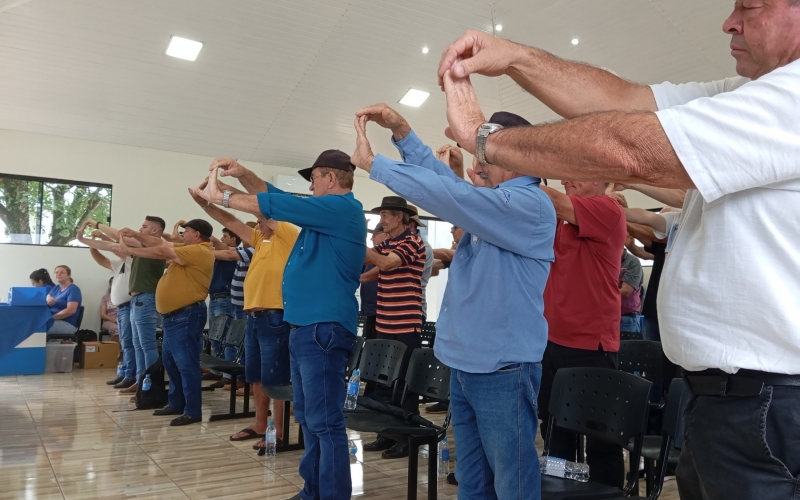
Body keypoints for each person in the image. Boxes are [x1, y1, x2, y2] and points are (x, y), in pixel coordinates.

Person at [438, 2, 800, 496]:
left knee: (598, 448)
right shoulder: (745, 93)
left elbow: (634, 148)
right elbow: (625, 99)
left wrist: (488, 142)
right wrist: (516, 57)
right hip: (724, 397)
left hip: (767, 399)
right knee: (561, 440)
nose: (729, 22)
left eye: (750, 5)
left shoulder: (791, 98)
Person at [351, 104, 556, 499]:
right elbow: (448, 185)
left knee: (512, 482)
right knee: (472, 480)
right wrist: (403, 133)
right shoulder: (494, 203)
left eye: (488, 154)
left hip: (502, 367)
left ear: (513, 159)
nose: (480, 164)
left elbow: (453, 196)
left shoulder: (530, 204)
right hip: (467, 363)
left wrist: (377, 165)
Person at [191, 150, 366, 500]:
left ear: (330, 178)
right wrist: (241, 173)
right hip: (306, 328)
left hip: (323, 327)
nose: (311, 186)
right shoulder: (324, 217)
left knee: (325, 420)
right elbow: (275, 195)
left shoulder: (342, 209)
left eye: (313, 178)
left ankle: (329, 495)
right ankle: (312, 490)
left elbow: (278, 205)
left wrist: (222, 195)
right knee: (310, 417)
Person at [190, 185, 298, 449]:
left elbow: (259, 210)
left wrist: (224, 194)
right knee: (257, 375)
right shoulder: (262, 239)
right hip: (255, 316)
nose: (257, 225)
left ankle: (280, 433)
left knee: (277, 377)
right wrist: (206, 205)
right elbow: (231, 222)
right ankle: (261, 423)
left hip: (276, 316)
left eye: (262, 220)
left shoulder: (288, 233)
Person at [112, 219, 215, 426]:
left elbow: (160, 253)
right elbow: (161, 245)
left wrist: (133, 251)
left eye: (186, 232)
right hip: (173, 317)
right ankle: (176, 403)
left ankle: (192, 410)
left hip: (186, 316)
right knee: (171, 363)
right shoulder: (188, 248)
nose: (182, 235)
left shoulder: (200, 250)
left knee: (186, 365)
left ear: (197, 235)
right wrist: (136, 235)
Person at [361, 196, 426, 460]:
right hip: (385, 322)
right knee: (384, 382)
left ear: (400, 216)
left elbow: (387, 263)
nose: (381, 220)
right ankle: (387, 432)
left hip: (405, 324)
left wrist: (357, 240)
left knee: (404, 384)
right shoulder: (389, 243)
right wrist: (360, 275)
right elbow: (378, 267)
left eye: (386, 214)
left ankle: (406, 437)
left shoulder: (411, 240)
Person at [90, 216, 166, 394]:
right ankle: (141, 380)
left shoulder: (154, 244)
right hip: (138, 301)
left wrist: (98, 225)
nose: (140, 229)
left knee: (146, 344)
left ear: (154, 230)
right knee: (138, 344)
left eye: (144, 226)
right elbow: (117, 244)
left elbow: (118, 241)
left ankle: (151, 384)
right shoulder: (140, 250)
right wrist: (92, 241)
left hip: (145, 299)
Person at [76, 225, 137, 387]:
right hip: (122, 308)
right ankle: (125, 373)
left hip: (132, 306)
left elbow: (116, 248)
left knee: (131, 343)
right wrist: (92, 245)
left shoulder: (133, 260)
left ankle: (131, 375)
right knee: (126, 342)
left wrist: (100, 238)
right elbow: (101, 260)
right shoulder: (119, 265)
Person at [205, 228, 240, 358]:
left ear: (233, 239)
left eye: (224, 236)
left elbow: (212, 247)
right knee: (215, 336)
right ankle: (217, 369)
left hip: (224, 298)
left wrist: (205, 236)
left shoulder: (235, 253)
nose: (221, 238)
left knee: (225, 335)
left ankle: (227, 372)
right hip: (215, 298)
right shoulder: (220, 252)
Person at [359, 223, 387, 342]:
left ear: (385, 235)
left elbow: (363, 278)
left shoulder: (388, 256)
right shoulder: (371, 254)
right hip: (369, 311)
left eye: (375, 235)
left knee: (378, 350)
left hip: (382, 312)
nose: (372, 238)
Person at [46, 265, 83, 336]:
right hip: (52, 320)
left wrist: (51, 318)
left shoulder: (73, 289)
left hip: (66, 323)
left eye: (62, 272)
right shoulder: (56, 288)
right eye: (56, 272)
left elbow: (70, 310)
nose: (58, 274)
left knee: (36, 328)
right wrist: (47, 297)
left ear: (69, 275)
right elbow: (48, 297)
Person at [619, 247, 644, 336]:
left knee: (627, 349)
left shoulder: (632, 262)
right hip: (606, 317)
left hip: (627, 320)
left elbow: (626, 292)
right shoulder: (605, 261)